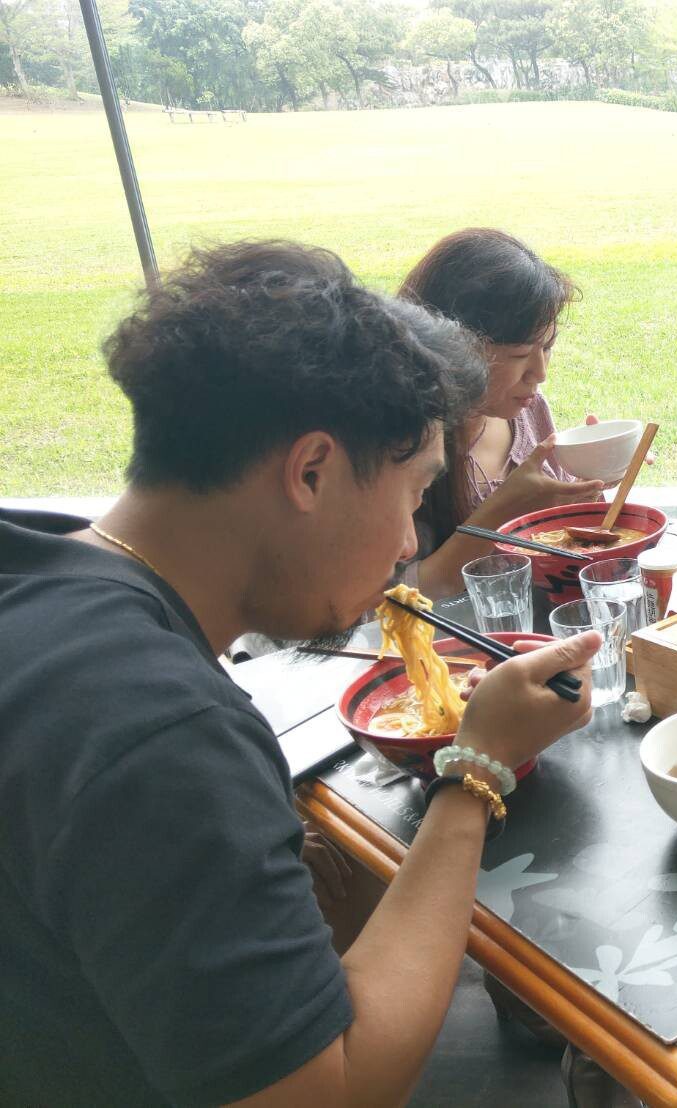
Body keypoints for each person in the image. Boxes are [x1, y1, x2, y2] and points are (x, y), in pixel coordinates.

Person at [0, 241, 602, 1105]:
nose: (406, 543)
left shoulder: (41, 566)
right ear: (311, 471)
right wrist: (476, 775)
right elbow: (331, 1091)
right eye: (411, 493)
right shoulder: (158, 736)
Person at [398, 228, 606, 598]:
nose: (540, 373)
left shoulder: (528, 412)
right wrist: (500, 512)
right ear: (453, 347)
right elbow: (388, 602)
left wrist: (593, 479)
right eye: (520, 355)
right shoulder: (400, 444)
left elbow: (566, 555)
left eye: (548, 347)